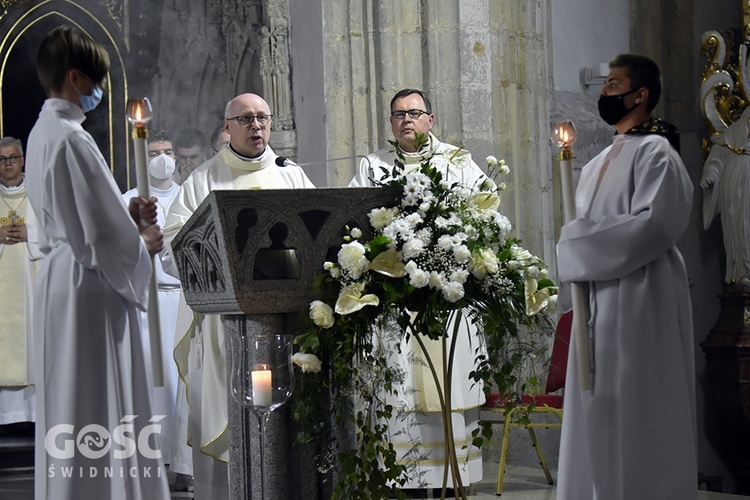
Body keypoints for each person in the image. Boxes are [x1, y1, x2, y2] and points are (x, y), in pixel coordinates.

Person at [26, 26, 169, 499]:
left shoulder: (44, 131)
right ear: (75, 78)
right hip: (92, 284)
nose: (99, 91)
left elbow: (82, 215)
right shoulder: (71, 138)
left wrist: (125, 219)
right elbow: (100, 241)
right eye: (96, 81)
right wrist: (142, 239)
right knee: (98, 404)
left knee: (73, 402)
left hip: (63, 280)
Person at [555, 54, 697, 500]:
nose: (604, 93)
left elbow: (655, 224)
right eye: (604, 85)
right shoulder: (596, 164)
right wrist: (577, 250)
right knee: (596, 406)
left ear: (641, 95)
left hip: (641, 297)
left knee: (638, 405)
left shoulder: (658, 153)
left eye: (615, 85)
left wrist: (577, 247)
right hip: (596, 302)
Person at [163, 92, 315, 498]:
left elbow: (318, 237)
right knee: (234, 411)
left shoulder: (291, 175)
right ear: (227, 127)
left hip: (284, 319)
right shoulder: (204, 180)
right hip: (225, 324)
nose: (256, 126)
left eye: (262, 118)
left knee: (281, 410)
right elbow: (172, 248)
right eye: (246, 119)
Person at [349, 88, 487, 490]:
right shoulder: (372, 167)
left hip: (447, 297)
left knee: (446, 388)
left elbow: (482, 212)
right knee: (399, 391)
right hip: (393, 301)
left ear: (431, 119)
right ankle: (400, 480)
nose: (406, 119)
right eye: (398, 114)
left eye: (414, 113)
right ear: (390, 123)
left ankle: (449, 481)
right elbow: (356, 221)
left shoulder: (459, 162)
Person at [121, 132, 192, 490]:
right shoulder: (128, 201)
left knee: (181, 384)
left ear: (176, 157)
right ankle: (149, 461)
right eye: (153, 153)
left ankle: (182, 463)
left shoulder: (188, 195)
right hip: (147, 301)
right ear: (142, 158)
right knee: (153, 384)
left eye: (166, 152)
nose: (161, 158)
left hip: (184, 299)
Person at [0, 137, 42, 428]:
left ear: (23, 159)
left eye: (12, 158)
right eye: (2, 160)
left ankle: (37, 416)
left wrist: (32, 233)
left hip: (35, 290)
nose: (8, 165)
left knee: (35, 346)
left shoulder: (42, 194)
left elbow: (64, 235)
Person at [701, 105, 750, 288]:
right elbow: (717, 158)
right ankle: (743, 272)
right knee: (741, 226)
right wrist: (710, 175)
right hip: (738, 194)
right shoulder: (730, 138)